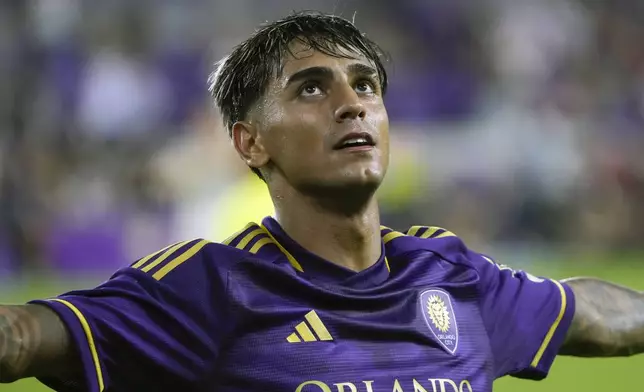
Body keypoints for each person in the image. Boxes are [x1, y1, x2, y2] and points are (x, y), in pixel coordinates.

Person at [1, 11, 643, 392]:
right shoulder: (210, 289)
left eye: (365, 85)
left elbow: (589, 312)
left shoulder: (453, 277)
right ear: (250, 143)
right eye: (312, 89)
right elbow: (28, 335)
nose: (352, 103)